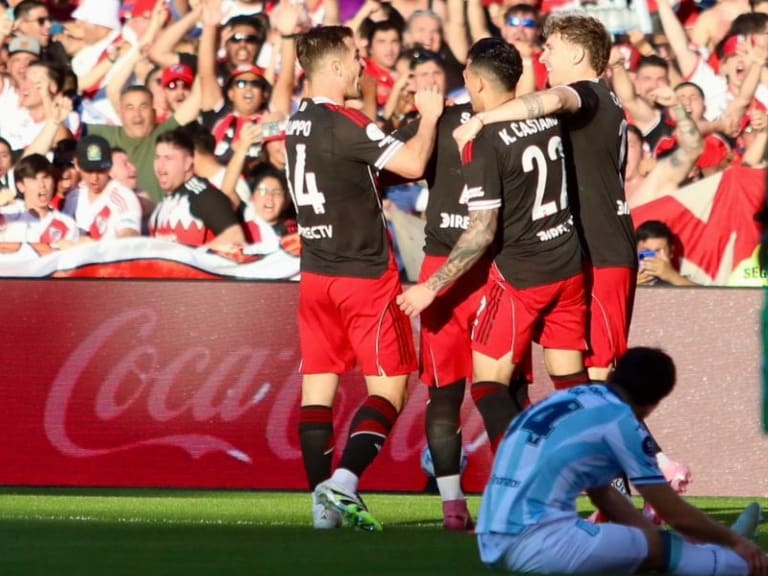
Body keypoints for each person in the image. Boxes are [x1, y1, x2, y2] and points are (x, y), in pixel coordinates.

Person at [287, 25, 444, 531]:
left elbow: (357, 169)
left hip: (315, 275)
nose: (361, 66)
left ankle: (319, 507)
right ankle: (345, 481)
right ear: (334, 67)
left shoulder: (298, 123)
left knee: (318, 388)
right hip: (362, 275)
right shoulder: (345, 122)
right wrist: (431, 117)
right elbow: (417, 162)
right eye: (355, 58)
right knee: (391, 387)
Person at [399, 38, 587, 459]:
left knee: (487, 385)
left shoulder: (482, 139)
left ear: (477, 83)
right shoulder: (549, 117)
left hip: (522, 273)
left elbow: (483, 231)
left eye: (466, 73)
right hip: (569, 264)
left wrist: (431, 286)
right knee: (573, 382)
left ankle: (521, 478)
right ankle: (609, 480)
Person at [453, 13, 635, 387]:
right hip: (579, 254)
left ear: (578, 54)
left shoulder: (588, 94)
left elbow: (553, 98)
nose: (544, 57)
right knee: (572, 376)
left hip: (604, 254)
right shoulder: (601, 98)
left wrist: (484, 120)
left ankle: (624, 446)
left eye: (551, 49)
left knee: (600, 378)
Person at [475, 347, 767, 576]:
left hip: (490, 538)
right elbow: (676, 514)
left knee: (646, 550)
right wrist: (733, 540)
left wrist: (650, 539)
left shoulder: (569, 399)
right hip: (537, 541)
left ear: (615, 374)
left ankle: (711, 555)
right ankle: (748, 564)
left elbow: (603, 493)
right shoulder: (621, 420)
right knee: (662, 549)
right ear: (654, 402)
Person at [150, 128, 246, 251]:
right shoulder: (164, 203)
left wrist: (189, 255)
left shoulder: (204, 196)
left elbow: (235, 240)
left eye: (168, 158)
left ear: (187, 163)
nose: (160, 165)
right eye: (157, 157)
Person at [0, 153, 78, 244]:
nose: (42, 185)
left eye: (46, 178)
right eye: (33, 179)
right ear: (21, 186)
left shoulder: (67, 224)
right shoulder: (8, 215)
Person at [636, 220, 697, 286]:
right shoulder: (625, 281)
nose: (652, 257)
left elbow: (705, 295)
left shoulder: (683, 282)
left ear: (671, 252)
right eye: (646, 251)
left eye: (658, 251)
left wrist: (671, 276)